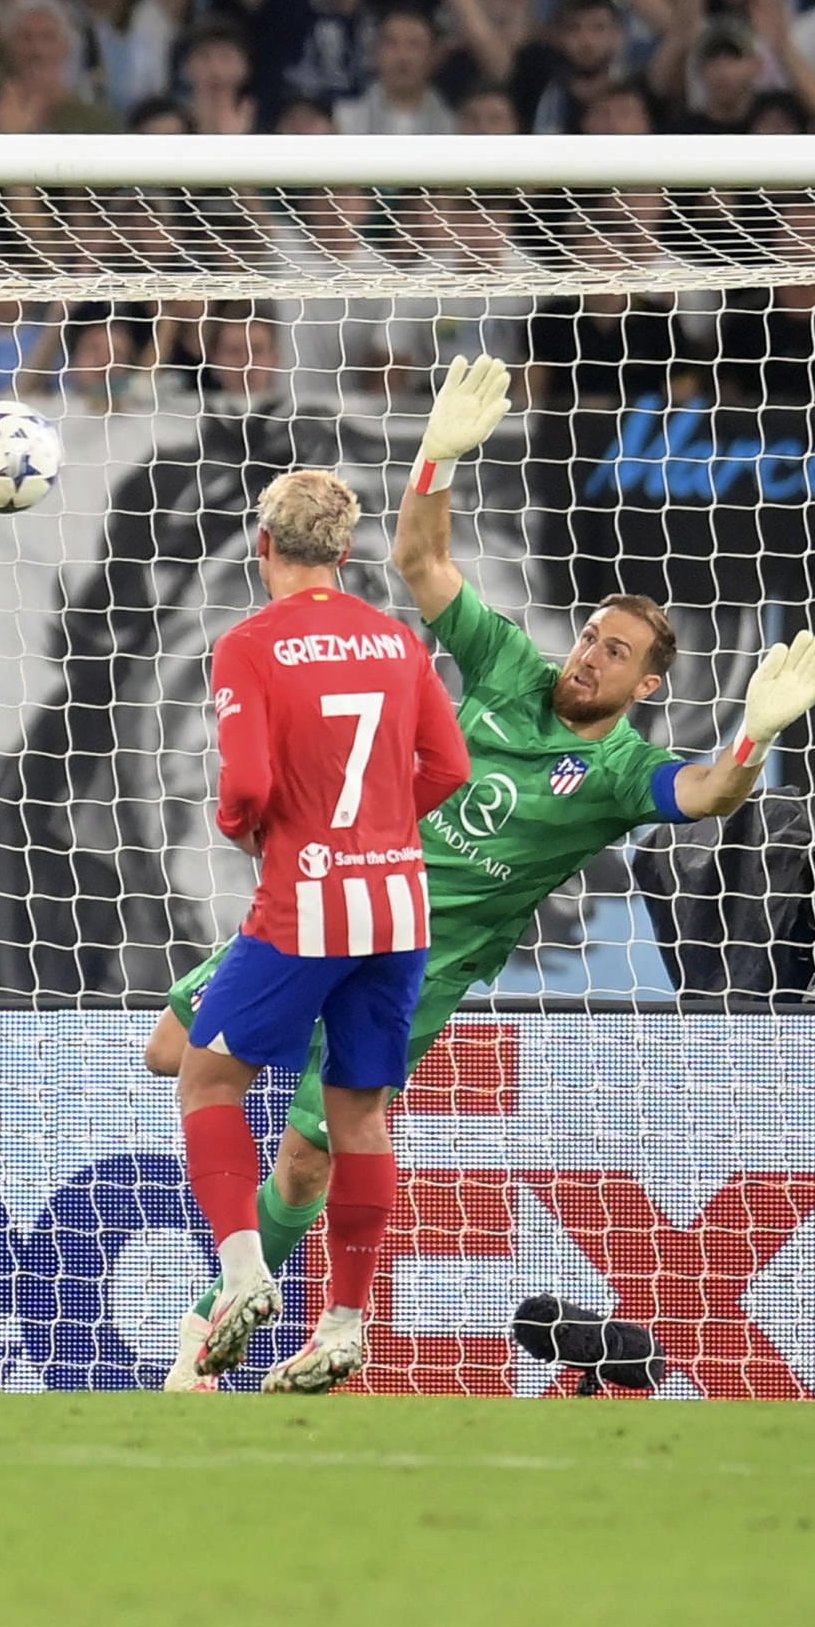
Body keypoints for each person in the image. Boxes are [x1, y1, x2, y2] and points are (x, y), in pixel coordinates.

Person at [145, 358, 815, 1388]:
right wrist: (437, 458)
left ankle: (220, 1331)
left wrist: (753, 739)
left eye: (616, 653)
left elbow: (704, 795)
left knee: (309, 1152)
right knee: (170, 1050)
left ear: (649, 685)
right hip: (334, 895)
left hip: (421, 954)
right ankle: (268, 1297)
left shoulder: (618, 771)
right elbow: (422, 561)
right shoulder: (511, 664)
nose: (588, 657)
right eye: (591, 636)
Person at [173, 467, 470, 1395]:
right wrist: (381, 826)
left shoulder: (249, 645)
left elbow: (248, 785)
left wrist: (244, 827)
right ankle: (345, 1321)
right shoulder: (396, 640)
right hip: (399, 905)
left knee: (205, 1080)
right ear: (344, 553)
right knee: (359, 1114)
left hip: (306, 901)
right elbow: (449, 767)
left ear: (263, 546)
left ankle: (243, 1277)